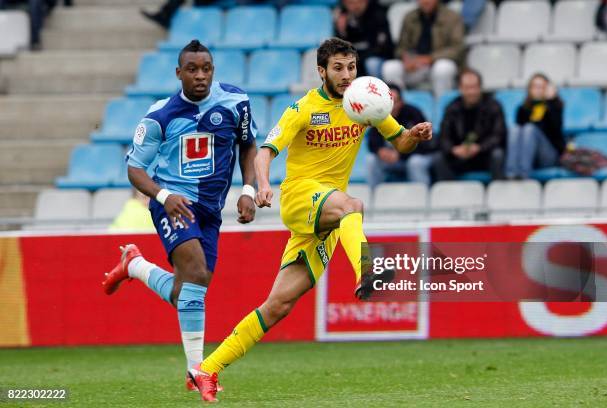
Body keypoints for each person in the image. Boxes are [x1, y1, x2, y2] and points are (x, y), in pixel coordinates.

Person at [186, 37, 432, 402]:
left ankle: (206, 369)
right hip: (302, 197)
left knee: (279, 305)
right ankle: (367, 269)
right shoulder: (303, 109)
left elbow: (400, 143)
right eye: (338, 68)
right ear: (322, 71)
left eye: (351, 67)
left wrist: (413, 135)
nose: (347, 75)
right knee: (354, 205)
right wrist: (263, 186)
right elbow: (266, 151)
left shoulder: (365, 102)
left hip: (330, 217)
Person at [101, 40, 257, 391]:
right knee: (197, 274)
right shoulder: (160, 115)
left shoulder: (236, 102)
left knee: (187, 293)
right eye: (192, 69)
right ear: (179, 73)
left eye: (206, 69)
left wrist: (248, 190)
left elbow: (248, 146)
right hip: (173, 203)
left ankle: (135, 265)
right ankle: (197, 373)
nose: (200, 76)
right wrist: (163, 195)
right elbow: (135, 169)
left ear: (212, 70)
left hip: (210, 211)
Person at [432, 68, 506, 180]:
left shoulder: (493, 106)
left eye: (474, 87)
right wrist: (453, 149)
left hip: (484, 155)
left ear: (480, 87)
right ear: (460, 89)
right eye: (467, 88)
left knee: (497, 155)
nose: (471, 92)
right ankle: (448, 194)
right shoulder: (452, 108)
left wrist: (479, 148)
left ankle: (498, 191)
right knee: (439, 158)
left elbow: (499, 135)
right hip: (460, 155)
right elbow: (443, 137)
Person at [382, 0, 464, 97]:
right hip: (415, 65)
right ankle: (400, 106)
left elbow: (457, 48)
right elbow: (401, 47)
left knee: (442, 68)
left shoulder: (452, 17)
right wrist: (406, 58)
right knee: (390, 67)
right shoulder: (410, 17)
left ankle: (442, 107)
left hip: (438, 63)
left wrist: (430, 58)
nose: (425, 1)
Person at [367, 83, 435, 188]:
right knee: (371, 160)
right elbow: (372, 141)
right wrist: (380, 151)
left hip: (412, 157)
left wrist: (400, 154)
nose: (390, 105)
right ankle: (373, 198)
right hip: (390, 159)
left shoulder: (413, 113)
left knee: (415, 163)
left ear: (401, 102)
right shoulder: (378, 114)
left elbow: (425, 143)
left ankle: (422, 198)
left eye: (394, 102)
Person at [505, 73, 564, 179]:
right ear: (529, 89)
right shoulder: (522, 109)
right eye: (535, 87)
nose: (538, 90)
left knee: (529, 129)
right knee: (514, 129)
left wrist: (550, 101)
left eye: (542, 87)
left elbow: (556, 132)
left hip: (548, 156)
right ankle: (511, 173)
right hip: (527, 156)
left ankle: (523, 174)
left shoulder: (555, 106)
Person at [334, 0, 394, 78]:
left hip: (376, 58)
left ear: (366, 2)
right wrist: (342, 32)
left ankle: (376, 88)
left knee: (371, 63)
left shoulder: (378, 16)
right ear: (345, 4)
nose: (356, 6)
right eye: (351, 3)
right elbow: (339, 49)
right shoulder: (343, 19)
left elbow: (383, 47)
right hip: (356, 59)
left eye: (359, 2)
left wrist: (357, 57)